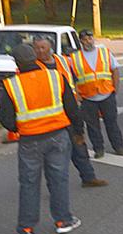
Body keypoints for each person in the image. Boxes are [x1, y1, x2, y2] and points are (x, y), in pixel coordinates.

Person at [0, 43, 83, 234]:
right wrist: (78, 131)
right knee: (58, 179)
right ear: (35, 58)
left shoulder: (11, 85)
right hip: (58, 136)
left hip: (29, 140)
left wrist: (19, 127)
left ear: (16, 63)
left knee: (29, 183)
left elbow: (5, 118)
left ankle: (26, 228)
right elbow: (72, 108)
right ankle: (63, 221)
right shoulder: (55, 76)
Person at [33, 36, 107, 188]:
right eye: (37, 48)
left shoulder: (63, 61)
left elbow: (74, 80)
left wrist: (79, 98)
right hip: (50, 117)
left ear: (50, 48)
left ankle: (88, 177)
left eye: (43, 47)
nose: (40, 51)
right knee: (53, 155)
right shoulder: (33, 67)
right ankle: (54, 186)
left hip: (70, 110)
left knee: (79, 146)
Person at [72, 29, 123, 158]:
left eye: (90, 38)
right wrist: (77, 95)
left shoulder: (104, 52)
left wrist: (115, 88)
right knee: (92, 126)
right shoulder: (75, 58)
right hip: (88, 97)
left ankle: (118, 146)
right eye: (84, 39)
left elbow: (115, 70)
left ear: (93, 39)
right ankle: (98, 149)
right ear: (81, 41)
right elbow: (72, 78)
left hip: (107, 94)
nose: (87, 41)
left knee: (111, 123)